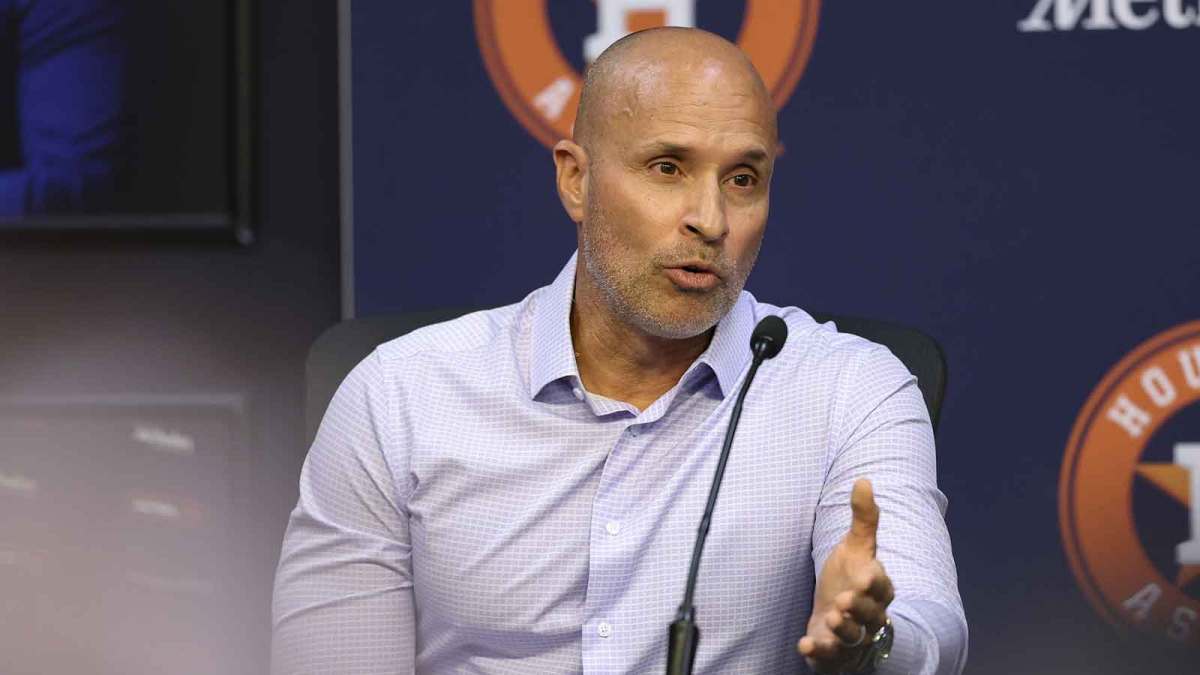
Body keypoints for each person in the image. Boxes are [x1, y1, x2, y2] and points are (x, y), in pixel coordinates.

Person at [272, 27, 967, 674]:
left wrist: (868, 636)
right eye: (668, 167)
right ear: (576, 179)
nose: (711, 219)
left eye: (742, 179)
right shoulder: (401, 395)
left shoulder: (850, 388)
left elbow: (928, 624)